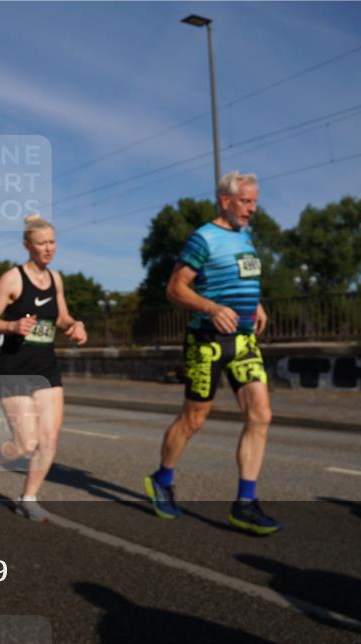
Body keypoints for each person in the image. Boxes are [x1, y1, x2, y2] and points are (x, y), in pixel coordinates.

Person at [143, 171, 279, 535]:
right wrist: (211, 308)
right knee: (195, 419)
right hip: (206, 343)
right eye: (246, 201)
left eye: (254, 201)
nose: (253, 208)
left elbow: (243, 277)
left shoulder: (246, 236)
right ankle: (162, 478)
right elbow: (175, 288)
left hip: (244, 341)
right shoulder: (203, 238)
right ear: (225, 200)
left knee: (261, 415)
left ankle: (245, 504)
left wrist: (258, 304)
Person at [0, 215, 87, 521]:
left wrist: (74, 326)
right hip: (15, 366)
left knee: (49, 440)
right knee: (26, 442)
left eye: (52, 242)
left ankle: (28, 498)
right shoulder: (12, 279)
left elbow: (61, 317)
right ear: (26, 245)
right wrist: (12, 325)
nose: (48, 249)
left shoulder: (56, 279)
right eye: (41, 243)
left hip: (46, 366)